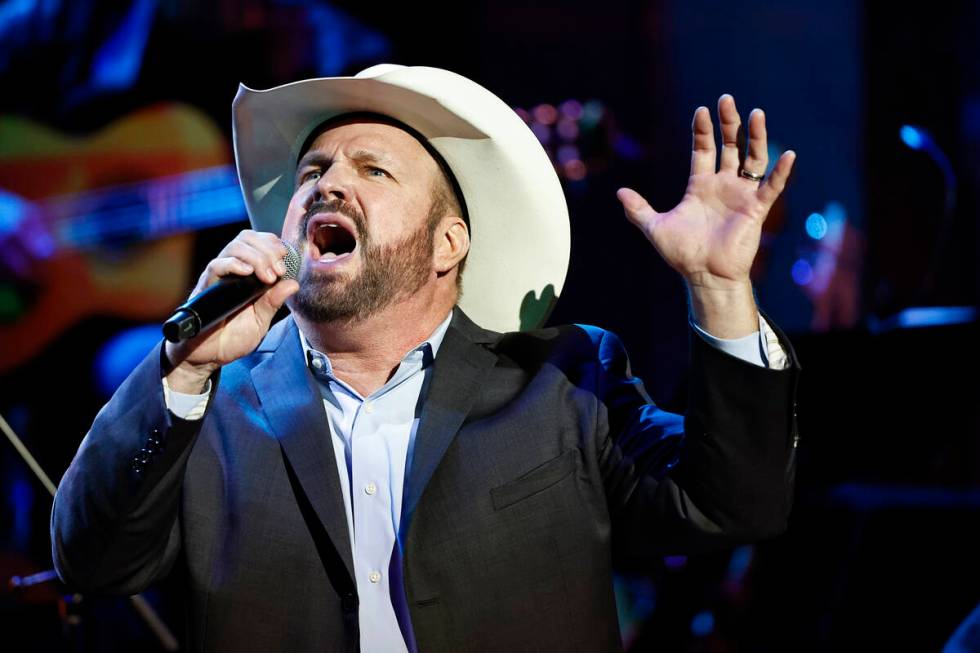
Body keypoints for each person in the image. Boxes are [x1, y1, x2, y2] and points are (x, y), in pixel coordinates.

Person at [51, 64, 800, 652]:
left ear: (450, 244)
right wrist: (182, 371)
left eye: (372, 170)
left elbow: (731, 502)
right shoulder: (209, 406)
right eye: (312, 172)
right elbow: (92, 560)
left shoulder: (565, 379)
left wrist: (717, 287)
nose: (330, 182)